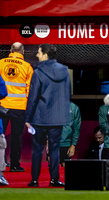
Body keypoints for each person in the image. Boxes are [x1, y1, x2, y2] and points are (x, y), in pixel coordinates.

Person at [25, 43, 71, 187]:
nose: (37, 55)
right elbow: (67, 94)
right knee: (55, 149)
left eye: (38, 52)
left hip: (40, 118)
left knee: (37, 150)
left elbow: (32, 97)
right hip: (58, 117)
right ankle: (55, 180)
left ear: (45, 54)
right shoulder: (65, 71)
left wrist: (27, 118)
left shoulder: (38, 72)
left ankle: (34, 180)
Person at [0, 42, 33, 172]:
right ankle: (15, 165)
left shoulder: (0, 63)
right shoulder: (27, 67)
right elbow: (29, 90)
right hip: (19, 107)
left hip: (2, 106)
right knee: (16, 137)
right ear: (22, 52)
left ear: (11, 50)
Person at [59, 102, 81, 167]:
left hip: (67, 144)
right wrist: (47, 142)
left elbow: (77, 128)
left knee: (65, 168)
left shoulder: (74, 108)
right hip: (53, 143)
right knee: (52, 169)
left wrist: (73, 145)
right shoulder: (52, 105)